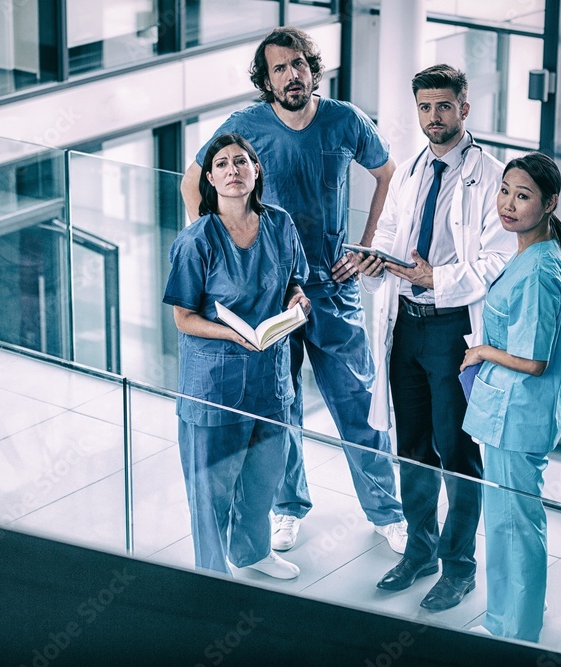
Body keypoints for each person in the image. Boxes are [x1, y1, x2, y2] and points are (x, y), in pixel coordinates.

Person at [180, 26, 407, 554]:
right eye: (279, 68)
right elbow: (194, 183)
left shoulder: (345, 119)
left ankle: (388, 512)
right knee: (281, 408)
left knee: (359, 402)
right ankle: (287, 507)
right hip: (269, 296)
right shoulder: (244, 126)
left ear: (312, 68)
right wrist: (221, 250)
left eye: (299, 63)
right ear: (266, 79)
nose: (291, 74)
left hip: (331, 286)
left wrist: (368, 244)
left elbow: (389, 174)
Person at [352, 64, 515, 610]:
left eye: (444, 106)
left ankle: (460, 566)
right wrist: (375, 261)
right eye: (425, 107)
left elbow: (497, 257)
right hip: (406, 327)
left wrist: (435, 278)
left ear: (464, 110)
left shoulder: (492, 176)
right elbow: (395, 233)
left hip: (453, 330)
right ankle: (419, 550)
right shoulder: (411, 170)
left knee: (457, 450)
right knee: (414, 446)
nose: (434, 117)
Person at [164, 133, 311, 580]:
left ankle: (253, 553)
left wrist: (298, 299)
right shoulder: (197, 241)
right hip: (214, 383)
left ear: (256, 170)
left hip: (270, 378)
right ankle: (212, 575)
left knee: (263, 476)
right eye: (223, 164)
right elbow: (183, 317)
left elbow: (293, 281)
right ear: (209, 178)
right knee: (210, 490)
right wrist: (229, 333)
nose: (233, 170)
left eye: (242, 161)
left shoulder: (281, 225)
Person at [461, 151, 561, 641]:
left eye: (523, 196)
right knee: (510, 520)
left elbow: (533, 361)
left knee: (514, 525)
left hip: (517, 416)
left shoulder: (537, 272)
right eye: (505, 190)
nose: (507, 203)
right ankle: (511, 617)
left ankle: (517, 630)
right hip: (513, 412)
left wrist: (482, 350)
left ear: (549, 203)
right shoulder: (535, 252)